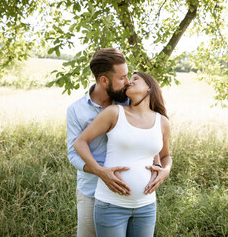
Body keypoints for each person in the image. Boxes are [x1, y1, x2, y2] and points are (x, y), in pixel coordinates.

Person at [67, 48, 166, 237]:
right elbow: (73, 152)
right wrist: (100, 171)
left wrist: (158, 165)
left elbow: (148, 134)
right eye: (122, 78)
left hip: (135, 200)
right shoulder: (76, 111)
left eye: (128, 76)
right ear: (104, 80)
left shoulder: (128, 100)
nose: (128, 81)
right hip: (91, 189)